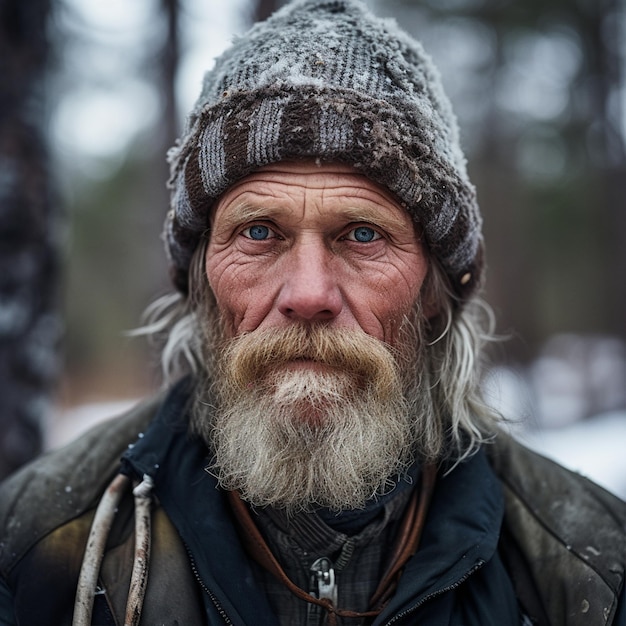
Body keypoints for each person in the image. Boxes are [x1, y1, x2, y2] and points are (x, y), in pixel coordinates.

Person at [1, 0, 625, 624]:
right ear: (201, 283)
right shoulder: (35, 544)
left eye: (361, 235)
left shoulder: (592, 568)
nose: (307, 294)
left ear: (436, 294)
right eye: (259, 232)